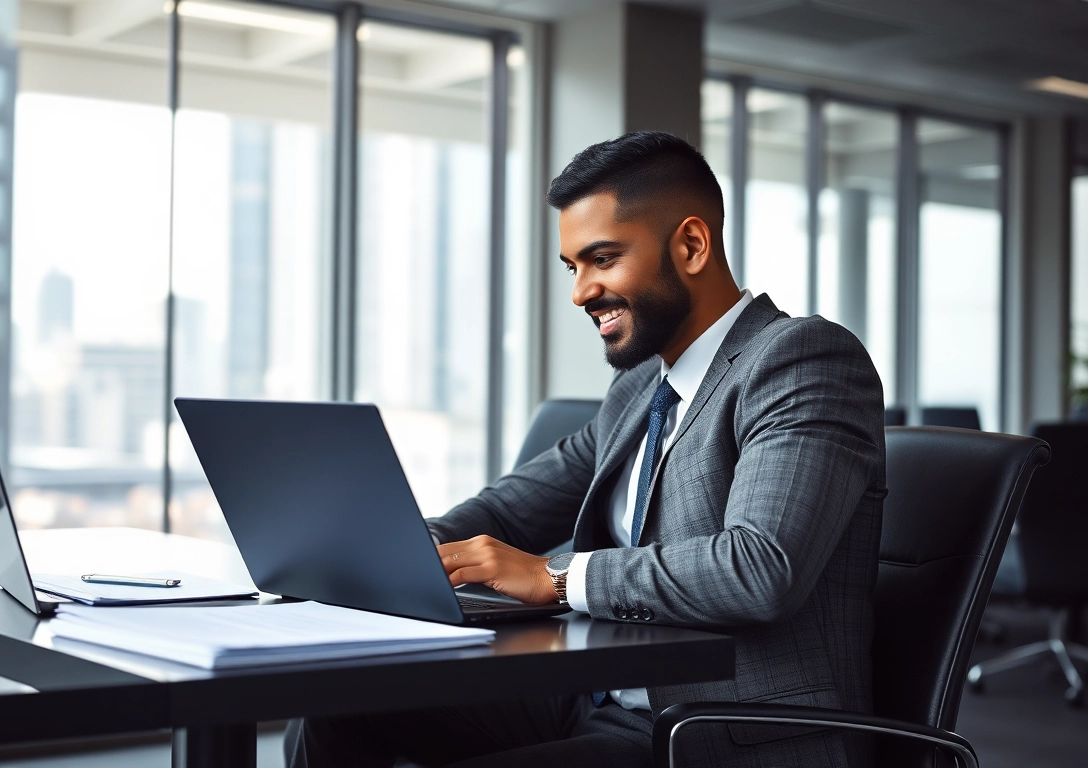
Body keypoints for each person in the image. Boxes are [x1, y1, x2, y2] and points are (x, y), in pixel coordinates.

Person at [288, 131, 886, 767]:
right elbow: (512, 510)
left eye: (602, 259)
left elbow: (760, 568)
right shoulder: (637, 391)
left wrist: (554, 576)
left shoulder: (801, 359)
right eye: (574, 267)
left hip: (717, 729)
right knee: (343, 709)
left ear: (690, 245)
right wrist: (396, 553)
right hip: (597, 698)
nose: (580, 293)